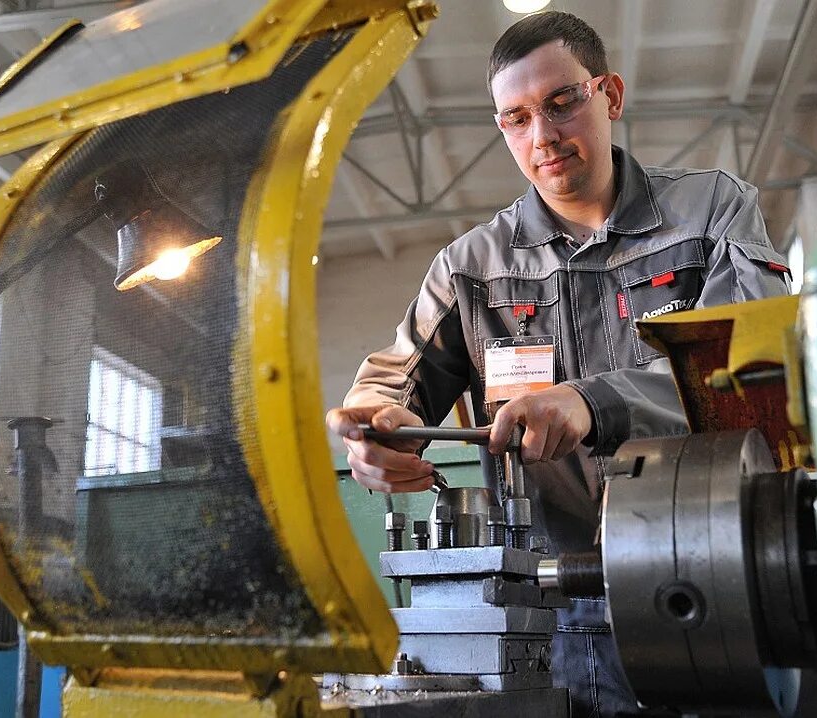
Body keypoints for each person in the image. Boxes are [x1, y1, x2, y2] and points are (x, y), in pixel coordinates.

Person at [326, 10, 790, 718]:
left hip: (719, 597)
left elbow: (747, 373)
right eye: (515, 118)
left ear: (611, 94)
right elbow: (398, 379)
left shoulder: (714, 213)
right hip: (556, 624)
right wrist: (375, 428)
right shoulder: (470, 270)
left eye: (562, 102)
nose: (542, 136)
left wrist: (592, 401)